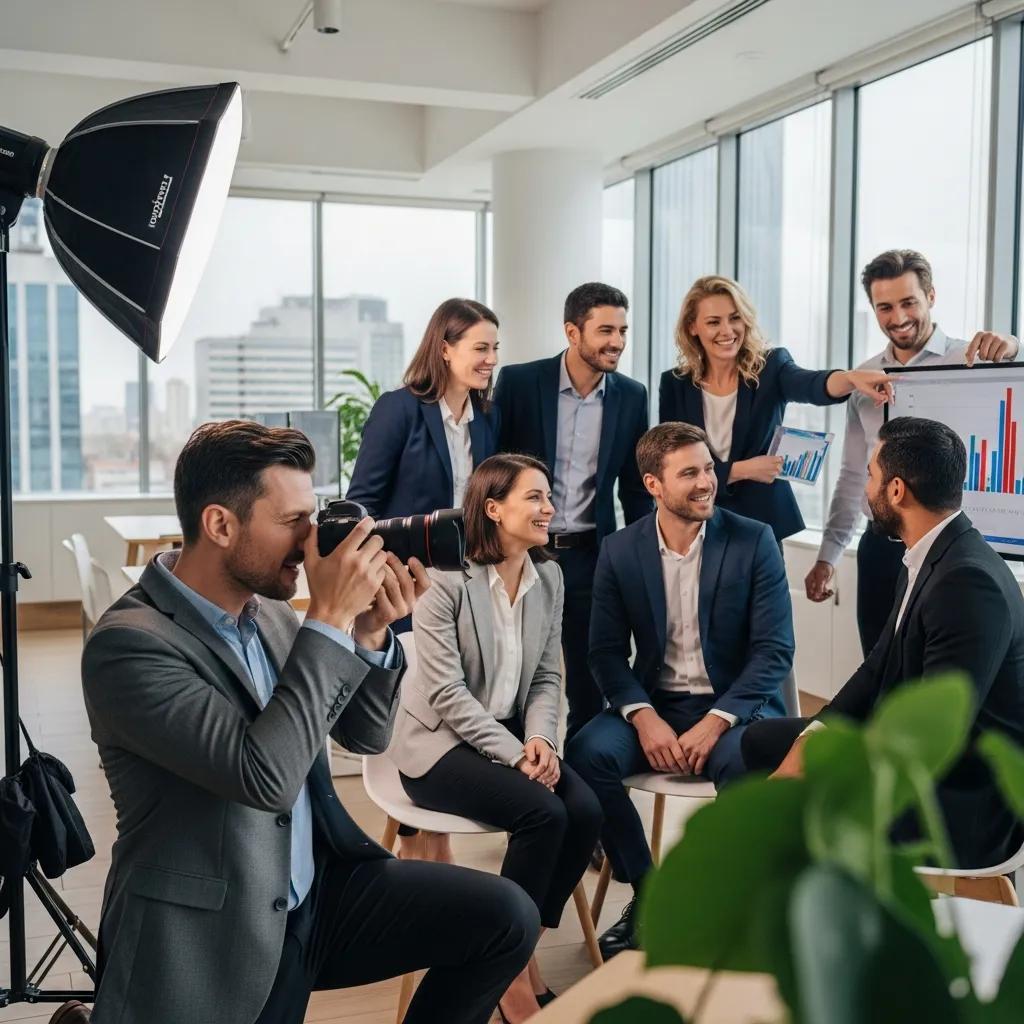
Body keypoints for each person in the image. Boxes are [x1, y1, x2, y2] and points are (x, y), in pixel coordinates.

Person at [81, 421, 539, 1024]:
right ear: (220, 525)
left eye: (313, 515)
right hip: (221, 929)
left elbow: (363, 735)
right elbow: (264, 777)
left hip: (315, 889)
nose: (311, 540)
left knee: (507, 917)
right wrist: (327, 619)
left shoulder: (266, 611)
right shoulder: (130, 646)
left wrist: (369, 633)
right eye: (293, 520)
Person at [744, 417, 1024, 870]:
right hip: (924, 763)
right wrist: (812, 737)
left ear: (896, 491)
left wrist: (833, 764)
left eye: (870, 475)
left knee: (794, 802)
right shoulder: (926, 553)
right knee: (759, 742)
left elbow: (937, 735)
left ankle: (791, 891)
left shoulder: (967, 582)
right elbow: (877, 666)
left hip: (963, 802)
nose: (865, 488)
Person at [567, 422, 794, 960]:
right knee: (585, 755)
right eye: (689, 473)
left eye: (709, 468)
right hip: (657, 703)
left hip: (735, 709)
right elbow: (604, 652)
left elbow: (774, 651)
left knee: (747, 765)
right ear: (653, 484)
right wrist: (643, 716)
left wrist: (717, 721)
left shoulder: (754, 540)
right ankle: (650, 895)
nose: (707, 482)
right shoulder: (620, 550)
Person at [391, 453, 603, 1023]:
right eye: (535, 497)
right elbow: (446, 693)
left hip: (512, 734)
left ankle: (518, 946)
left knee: (585, 810)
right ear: (492, 508)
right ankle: (509, 975)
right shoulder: (445, 579)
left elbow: (548, 677)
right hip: (438, 745)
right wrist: (516, 755)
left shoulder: (549, 578)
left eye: (548, 496)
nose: (549, 508)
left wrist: (544, 743)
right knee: (544, 815)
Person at [804, 249, 1019, 656]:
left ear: (931, 296)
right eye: (885, 307)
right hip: (882, 546)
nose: (898, 317)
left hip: (953, 544)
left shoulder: (974, 361)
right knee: (879, 664)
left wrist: (1015, 345)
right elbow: (853, 475)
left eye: (909, 302)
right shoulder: (863, 378)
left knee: (944, 670)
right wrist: (828, 556)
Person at [347, 296, 502, 859]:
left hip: (470, 587)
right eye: (480, 347)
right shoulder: (399, 410)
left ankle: (436, 831)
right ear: (445, 347)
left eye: (495, 348)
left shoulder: (487, 417)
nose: (490, 359)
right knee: (414, 709)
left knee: (455, 708)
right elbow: (362, 504)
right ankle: (421, 840)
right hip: (410, 585)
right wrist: (386, 573)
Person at [493, 282, 652, 742]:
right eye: (605, 330)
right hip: (522, 553)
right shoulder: (520, 382)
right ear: (572, 331)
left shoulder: (631, 395)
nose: (617, 341)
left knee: (589, 676)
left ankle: (583, 767)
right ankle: (513, 765)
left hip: (590, 555)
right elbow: (494, 468)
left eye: (622, 331)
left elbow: (634, 486)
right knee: (513, 669)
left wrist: (641, 556)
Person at [659, 274, 894, 546]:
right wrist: (741, 470)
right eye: (714, 322)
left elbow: (811, 383)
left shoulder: (770, 367)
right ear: (692, 327)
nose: (727, 330)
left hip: (761, 526)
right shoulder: (675, 384)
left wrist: (850, 378)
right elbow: (674, 464)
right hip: (697, 525)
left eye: (735, 318)